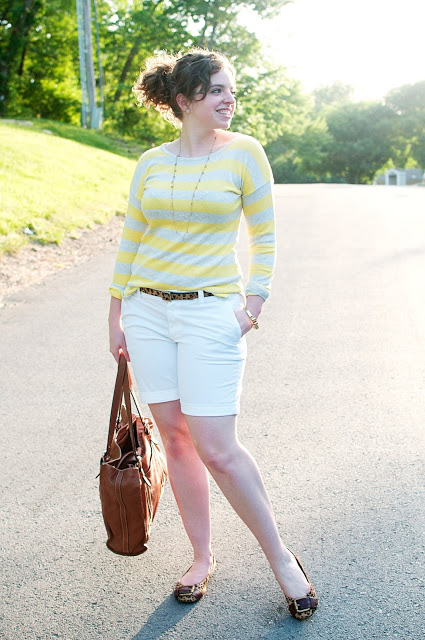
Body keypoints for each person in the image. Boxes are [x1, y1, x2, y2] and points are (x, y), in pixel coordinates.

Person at [108, 47, 318, 621]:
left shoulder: (245, 154)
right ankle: (200, 558)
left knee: (217, 447)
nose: (231, 100)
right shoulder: (151, 161)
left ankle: (280, 558)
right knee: (174, 435)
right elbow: (132, 238)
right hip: (147, 312)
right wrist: (116, 312)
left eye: (233, 91)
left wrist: (253, 304)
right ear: (184, 100)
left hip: (211, 313)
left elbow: (266, 236)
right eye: (218, 90)